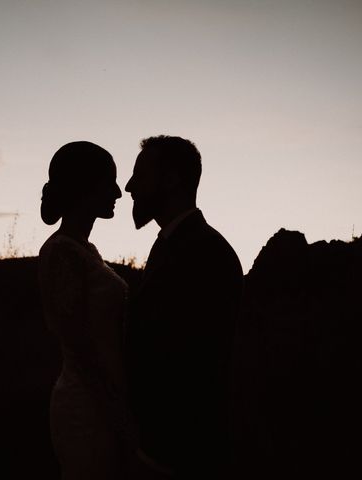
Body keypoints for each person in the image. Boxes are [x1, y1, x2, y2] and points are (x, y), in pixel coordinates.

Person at [124, 136, 243, 479]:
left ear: (172, 179)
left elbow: (189, 362)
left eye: (140, 175)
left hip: (180, 453)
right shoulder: (171, 244)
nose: (130, 186)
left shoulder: (206, 253)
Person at [38, 141, 130, 479]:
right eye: (110, 182)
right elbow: (78, 344)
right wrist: (116, 410)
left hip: (103, 401)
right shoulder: (63, 252)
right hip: (87, 408)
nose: (119, 193)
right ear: (85, 187)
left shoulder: (85, 249)